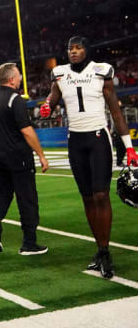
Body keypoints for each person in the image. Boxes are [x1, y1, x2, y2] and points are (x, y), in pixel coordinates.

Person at [40, 36, 138, 278]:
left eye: (78, 48)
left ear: (87, 50)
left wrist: (129, 147)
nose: (73, 52)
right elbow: (52, 100)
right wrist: (46, 106)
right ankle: (100, 249)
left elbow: (116, 112)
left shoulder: (101, 71)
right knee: (87, 198)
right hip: (75, 140)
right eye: (70, 48)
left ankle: (105, 251)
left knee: (101, 195)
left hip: (98, 138)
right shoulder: (60, 74)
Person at [0, 63, 49, 256]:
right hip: (18, 157)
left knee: (3, 194)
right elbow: (27, 131)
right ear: (12, 79)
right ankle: (29, 243)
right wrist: (41, 155)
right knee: (27, 199)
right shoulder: (15, 99)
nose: (21, 78)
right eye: (19, 75)